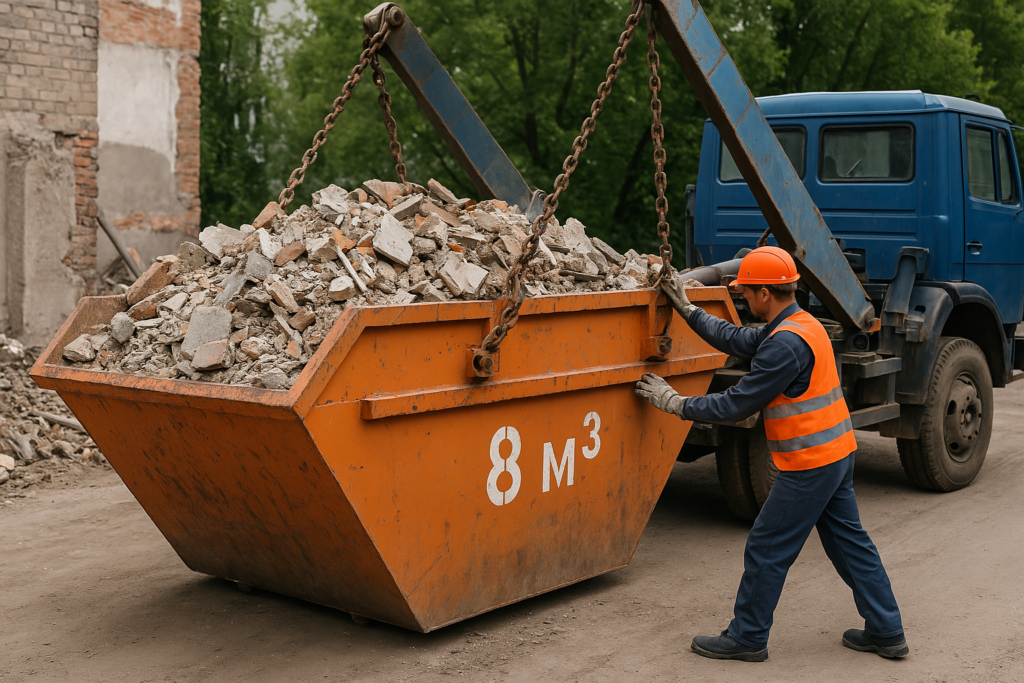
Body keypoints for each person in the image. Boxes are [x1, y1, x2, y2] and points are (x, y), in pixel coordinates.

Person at [635, 246, 907, 662]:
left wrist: (676, 403)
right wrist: (688, 309)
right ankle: (887, 631)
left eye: (746, 293)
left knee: (766, 547)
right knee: (850, 545)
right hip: (836, 453)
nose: (744, 299)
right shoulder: (802, 325)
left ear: (765, 294)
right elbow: (737, 338)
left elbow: (735, 404)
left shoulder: (784, 346)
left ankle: (747, 637)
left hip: (810, 463)